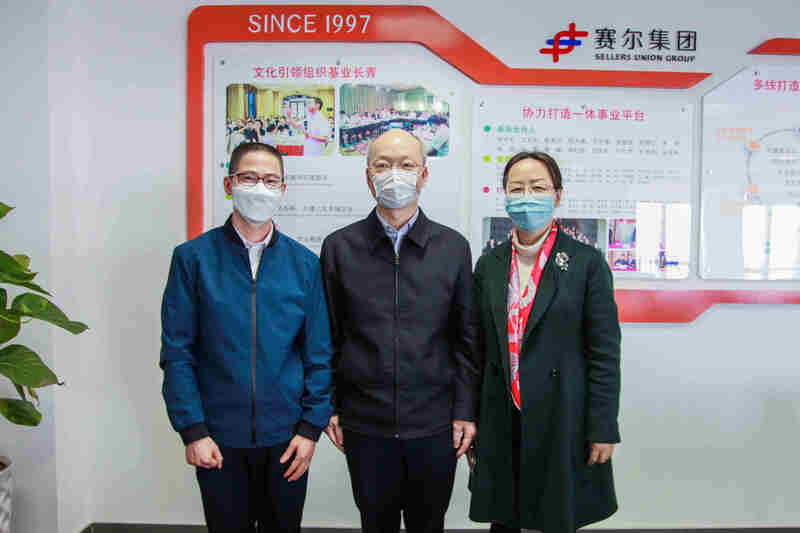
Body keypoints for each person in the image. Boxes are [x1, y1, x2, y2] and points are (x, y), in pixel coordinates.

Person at [160, 142, 333, 533]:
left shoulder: (304, 265)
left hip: (287, 439)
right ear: (229, 184)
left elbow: (319, 355)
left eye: (270, 180)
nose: (260, 188)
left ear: (283, 189)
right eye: (249, 178)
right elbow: (177, 353)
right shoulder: (193, 259)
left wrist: (310, 430)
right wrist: (193, 431)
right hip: (218, 439)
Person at [320, 129, 480, 533]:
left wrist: (465, 410)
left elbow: (466, 339)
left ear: (424, 175)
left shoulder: (452, 247)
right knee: (376, 523)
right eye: (383, 165)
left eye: (407, 165)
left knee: (429, 524)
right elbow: (329, 335)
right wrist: (330, 405)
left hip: (435, 424)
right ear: (368, 176)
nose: (395, 174)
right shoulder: (339, 247)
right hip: (364, 423)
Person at [468, 151, 621, 533]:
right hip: (502, 414)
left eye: (537, 188)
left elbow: (604, 354)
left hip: (562, 415)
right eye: (516, 189)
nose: (526, 197)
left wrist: (603, 426)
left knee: (555, 516)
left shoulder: (586, 263)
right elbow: (476, 351)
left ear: (558, 194)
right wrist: (471, 421)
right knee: (505, 518)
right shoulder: (489, 264)